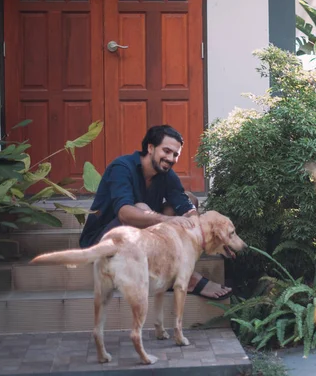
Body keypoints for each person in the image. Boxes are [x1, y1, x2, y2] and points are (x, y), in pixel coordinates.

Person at [79, 125, 232, 300]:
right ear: (150, 148)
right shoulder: (122, 167)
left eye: (175, 154)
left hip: (142, 240)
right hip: (102, 241)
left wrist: (204, 231)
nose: (171, 158)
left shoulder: (166, 174)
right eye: (166, 151)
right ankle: (184, 277)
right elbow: (124, 214)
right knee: (141, 208)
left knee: (191, 199)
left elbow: (185, 204)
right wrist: (167, 220)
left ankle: (172, 270)